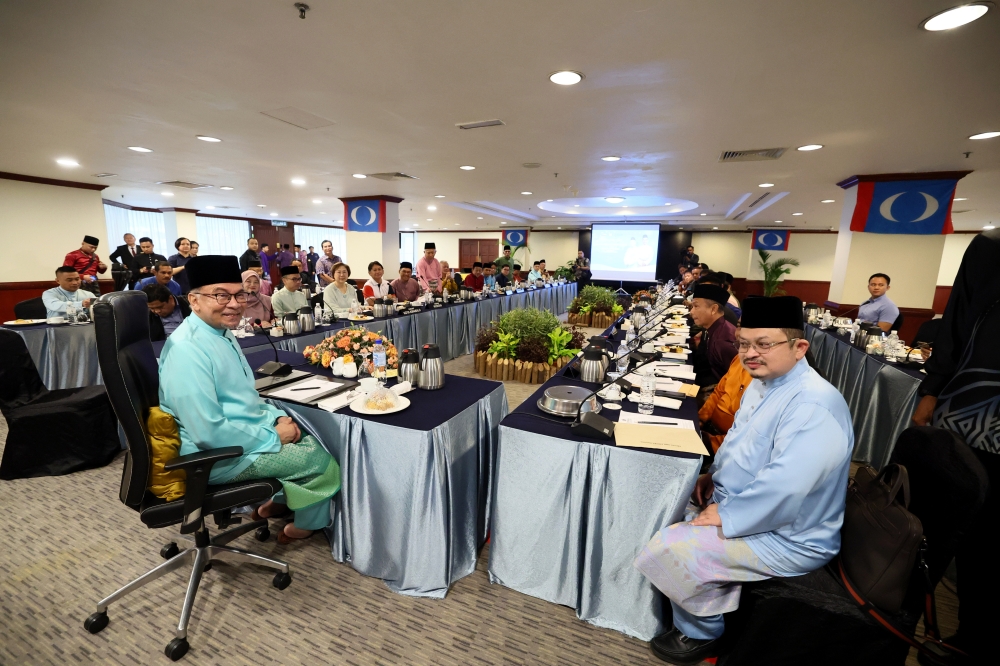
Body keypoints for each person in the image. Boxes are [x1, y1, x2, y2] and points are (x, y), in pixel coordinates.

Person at [634, 295, 853, 664]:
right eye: (744, 343)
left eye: (764, 344)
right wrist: (712, 475)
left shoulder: (814, 404)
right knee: (655, 501)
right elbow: (738, 442)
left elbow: (788, 486)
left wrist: (728, 515)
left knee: (671, 547)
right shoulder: (763, 383)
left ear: (799, 347)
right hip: (740, 502)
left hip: (789, 535)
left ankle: (703, 633)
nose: (750, 354)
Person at [158, 255, 340, 543]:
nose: (234, 304)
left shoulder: (220, 331)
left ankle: (278, 503)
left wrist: (275, 417)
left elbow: (244, 398)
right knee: (319, 461)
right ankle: (306, 525)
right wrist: (273, 435)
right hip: (215, 457)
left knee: (306, 434)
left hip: (240, 434)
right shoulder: (187, 350)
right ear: (194, 300)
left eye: (239, 294)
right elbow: (207, 432)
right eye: (220, 295)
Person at [910, 229, 1000, 660]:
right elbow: (958, 323)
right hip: (976, 416)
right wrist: (934, 388)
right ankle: (965, 636)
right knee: (959, 535)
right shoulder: (991, 248)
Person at [689, 283, 738, 394]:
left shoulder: (724, 341)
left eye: (696, 306)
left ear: (713, 309)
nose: (691, 311)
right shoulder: (712, 328)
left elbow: (735, 382)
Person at [698, 353, 752, 454]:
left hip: (728, 445)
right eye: (744, 344)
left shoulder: (769, 380)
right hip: (710, 428)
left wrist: (712, 443)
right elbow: (719, 392)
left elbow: (747, 437)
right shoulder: (739, 358)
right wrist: (701, 419)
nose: (750, 351)